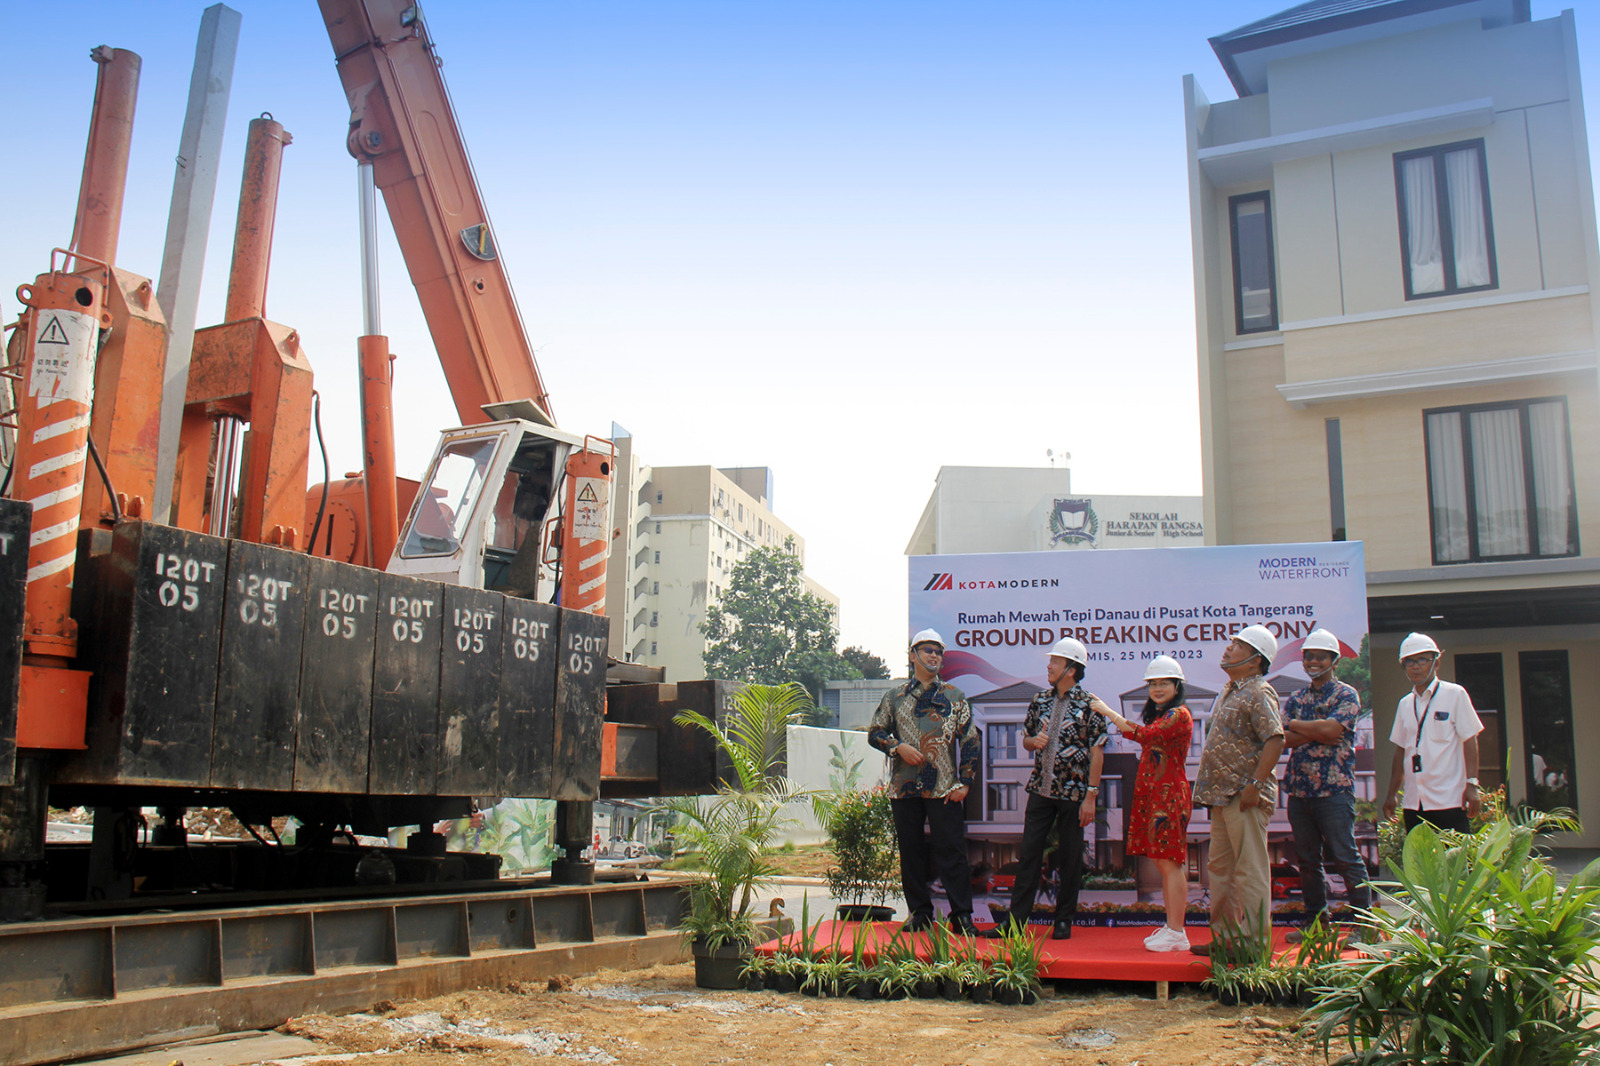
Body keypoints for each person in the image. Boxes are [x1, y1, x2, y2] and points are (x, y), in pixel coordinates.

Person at [983, 637, 1107, 940]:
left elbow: (1097, 752)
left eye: (1055, 661)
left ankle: (1064, 920)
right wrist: (1032, 742)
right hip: (1040, 789)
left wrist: (1091, 796)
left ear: (1071, 668)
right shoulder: (1040, 700)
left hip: (1073, 794)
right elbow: (1026, 738)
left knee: (1070, 857)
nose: (1048, 666)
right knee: (1029, 856)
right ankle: (1015, 923)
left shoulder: (1090, 704)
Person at [867, 628, 980, 934]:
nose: (934, 655)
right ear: (913, 656)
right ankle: (920, 913)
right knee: (911, 852)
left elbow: (970, 740)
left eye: (938, 651)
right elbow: (875, 732)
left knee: (952, 852)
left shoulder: (955, 697)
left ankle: (962, 915)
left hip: (944, 788)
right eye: (927, 650)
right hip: (904, 788)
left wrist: (966, 782)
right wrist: (896, 746)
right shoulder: (895, 696)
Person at [1190, 625, 1285, 955]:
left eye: (1238, 645)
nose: (1228, 649)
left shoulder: (1260, 691)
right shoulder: (1232, 690)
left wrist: (1255, 785)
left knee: (1249, 870)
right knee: (1220, 870)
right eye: (1231, 642)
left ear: (1255, 660)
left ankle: (1255, 945)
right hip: (1222, 796)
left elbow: (1275, 738)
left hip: (1245, 796)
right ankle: (1227, 940)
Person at [1090, 654, 1194, 952]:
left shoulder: (1179, 715)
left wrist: (1108, 711)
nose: (1158, 688)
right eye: (1153, 684)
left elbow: (1143, 735)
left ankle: (1177, 931)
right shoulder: (1164, 715)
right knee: (1164, 864)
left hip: (1169, 797)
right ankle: (1172, 927)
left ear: (1177, 685)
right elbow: (1140, 734)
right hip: (1155, 796)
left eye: (1164, 683)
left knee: (1170, 863)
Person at [1280, 628, 1371, 942]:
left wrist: (1300, 726)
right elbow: (1286, 739)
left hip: (1334, 790)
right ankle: (1317, 924)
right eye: (1309, 656)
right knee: (1307, 861)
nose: (1314, 661)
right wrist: (1316, 729)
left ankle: (1364, 926)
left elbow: (1333, 731)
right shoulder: (1296, 697)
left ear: (1334, 661)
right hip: (1299, 790)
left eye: (1321, 656)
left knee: (1346, 857)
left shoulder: (1346, 694)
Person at [1381, 632, 1483, 833]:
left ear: (1436, 663)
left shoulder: (1455, 694)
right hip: (1414, 802)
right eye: (1408, 661)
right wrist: (1392, 794)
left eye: (1422, 660)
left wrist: (1472, 785)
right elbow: (1401, 751)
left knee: (1454, 862)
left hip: (1450, 800)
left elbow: (1470, 740)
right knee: (1419, 863)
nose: (1415, 666)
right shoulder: (1405, 704)